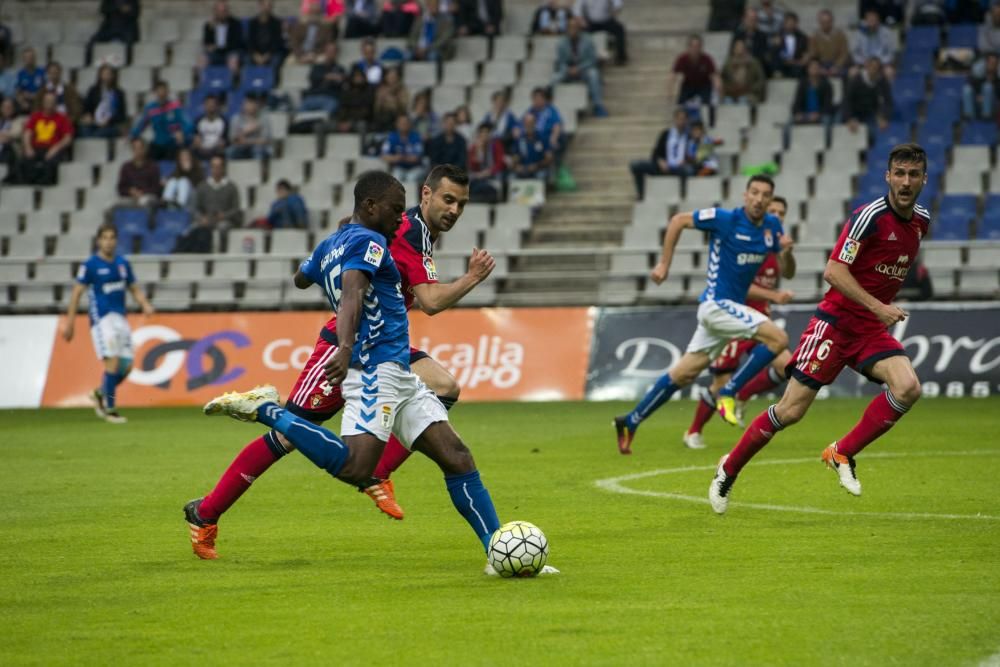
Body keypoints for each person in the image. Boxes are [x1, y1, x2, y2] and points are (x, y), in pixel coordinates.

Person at [185, 165, 500, 560]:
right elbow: (428, 301)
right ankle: (206, 511)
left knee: (444, 390)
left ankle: (381, 474)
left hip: (387, 348)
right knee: (288, 436)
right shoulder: (408, 229)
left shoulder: (401, 230)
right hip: (347, 348)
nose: (454, 210)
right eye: (448, 200)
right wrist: (473, 277)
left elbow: (321, 262)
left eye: (461, 204)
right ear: (426, 195)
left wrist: (325, 254)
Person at [708, 143, 931, 513]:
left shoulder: (922, 220)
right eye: (900, 173)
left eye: (913, 174)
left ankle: (841, 453)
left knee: (908, 388)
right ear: (888, 176)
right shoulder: (868, 217)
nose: (906, 181)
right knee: (790, 411)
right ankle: (727, 469)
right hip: (834, 324)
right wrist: (878, 306)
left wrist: (876, 311)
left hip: (869, 329)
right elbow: (833, 271)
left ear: (923, 178)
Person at [613, 174, 790, 455]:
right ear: (745, 196)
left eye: (764, 195)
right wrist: (663, 264)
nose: (758, 199)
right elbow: (678, 221)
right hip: (716, 305)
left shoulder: (771, 227)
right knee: (778, 340)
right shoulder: (725, 219)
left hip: (727, 312)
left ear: (770, 200)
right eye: (754, 193)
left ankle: (631, 420)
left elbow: (788, 271)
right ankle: (731, 392)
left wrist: (786, 252)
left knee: (683, 374)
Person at [683, 195, 795, 449]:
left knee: (786, 366)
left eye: (781, 212)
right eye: (773, 210)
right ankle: (693, 431)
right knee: (719, 384)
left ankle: (743, 393)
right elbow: (740, 288)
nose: (776, 216)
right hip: (734, 319)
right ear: (765, 209)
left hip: (760, 322)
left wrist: (787, 253)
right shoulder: (750, 241)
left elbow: (788, 272)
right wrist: (774, 295)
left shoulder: (774, 242)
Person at [62, 223, 154, 425]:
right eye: (105, 237)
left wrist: (145, 304)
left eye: (112, 237)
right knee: (112, 361)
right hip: (102, 320)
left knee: (127, 367)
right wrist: (70, 323)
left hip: (120, 318)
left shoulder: (122, 263)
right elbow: (77, 293)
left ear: (116, 241)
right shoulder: (91, 265)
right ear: (98, 241)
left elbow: (134, 287)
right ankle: (110, 408)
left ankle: (100, 393)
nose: (108, 241)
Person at [553, 17, 608, 117]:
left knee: (594, 74)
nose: (572, 30)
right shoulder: (561, 43)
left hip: (583, 71)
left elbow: (592, 60)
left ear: (579, 29)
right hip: (568, 72)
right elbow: (560, 62)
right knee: (554, 78)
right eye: (570, 27)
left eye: (575, 27)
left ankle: (598, 105)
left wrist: (579, 68)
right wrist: (568, 69)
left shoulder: (588, 40)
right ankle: (551, 106)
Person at [629, 107, 689, 198]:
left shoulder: (689, 136)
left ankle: (683, 195)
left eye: (683, 119)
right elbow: (655, 153)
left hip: (680, 168)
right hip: (664, 166)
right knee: (636, 165)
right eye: (679, 119)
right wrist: (660, 161)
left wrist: (686, 160)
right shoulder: (666, 134)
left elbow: (694, 153)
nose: (681, 122)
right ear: (675, 119)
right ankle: (641, 195)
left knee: (687, 170)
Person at [17, 90, 74, 186]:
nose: (49, 103)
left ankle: (43, 186)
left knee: (51, 163)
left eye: (52, 101)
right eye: (47, 100)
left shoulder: (62, 118)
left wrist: (56, 148)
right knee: (23, 161)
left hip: (53, 148)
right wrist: (28, 147)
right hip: (36, 148)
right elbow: (27, 133)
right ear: (43, 102)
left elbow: (68, 138)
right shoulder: (36, 116)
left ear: (55, 103)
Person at [130, 80, 192, 161]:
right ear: (155, 92)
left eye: (164, 90)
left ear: (168, 92)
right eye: (159, 90)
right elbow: (141, 125)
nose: (162, 93)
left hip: (172, 143)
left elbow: (188, 124)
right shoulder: (150, 108)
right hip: (157, 144)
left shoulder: (175, 106)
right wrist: (133, 134)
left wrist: (182, 132)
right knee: (147, 161)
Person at [843, 56, 893, 136]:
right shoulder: (856, 80)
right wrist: (849, 118)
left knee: (872, 134)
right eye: (872, 67)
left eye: (877, 68)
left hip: (871, 114)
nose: (874, 70)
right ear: (867, 67)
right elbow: (847, 100)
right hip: (855, 113)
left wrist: (884, 117)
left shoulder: (882, 81)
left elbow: (888, 101)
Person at [193, 155, 242, 231]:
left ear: (223, 168)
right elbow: (196, 208)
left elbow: (236, 209)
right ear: (210, 168)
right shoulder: (202, 186)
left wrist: (224, 215)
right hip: (207, 219)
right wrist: (201, 218)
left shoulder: (231, 187)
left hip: (226, 220)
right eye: (213, 166)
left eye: (218, 167)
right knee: (195, 227)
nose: (216, 169)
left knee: (222, 226)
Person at [78, 64, 127, 138]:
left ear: (113, 76)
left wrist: (109, 120)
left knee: (100, 134)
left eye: (108, 74)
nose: (106, 77)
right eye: (104, 74)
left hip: (111, 125)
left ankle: (91, 144)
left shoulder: (119, 93)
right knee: (83, 129)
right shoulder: (93, 91)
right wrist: (87, 115)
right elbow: (86, 107)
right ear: (100, 76)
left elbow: (122, 115)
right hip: (94, 122)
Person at [574, 0, 628, 65]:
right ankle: (582, 57)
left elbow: (618, 3)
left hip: (606, 20)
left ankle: (621, 57)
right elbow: (577, 9)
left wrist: (615, 11)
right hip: (591, 21)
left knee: (619, 29)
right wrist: (581, 21)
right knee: (580, 33)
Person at [672, 35, 720, 106]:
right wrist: (670, 90)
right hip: (688, 84)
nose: (695, 49)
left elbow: (714, 76)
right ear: (688, 47)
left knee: (706, 104)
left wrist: (718, 86)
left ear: (701, 47)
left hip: (704, 84)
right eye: (693, 46)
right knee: (680, 103)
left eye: (697, 46)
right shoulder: (682, 59)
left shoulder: (707, 59)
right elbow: (673, 75)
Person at [300, 41, 346, 115]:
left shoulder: (340, 69)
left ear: (336, 53)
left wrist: (328, 78)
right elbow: (313, 77)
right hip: (313, 96)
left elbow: (340, 82)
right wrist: (329, 76)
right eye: (328, 51)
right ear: (325, 52)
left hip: (329, 97)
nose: (330, 53)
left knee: (331, 106)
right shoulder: (317, 67)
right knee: (302, 108)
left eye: (333, 51)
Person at [34, 62, 83, 126]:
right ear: (47, 74)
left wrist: (69, 121)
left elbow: (76, 108)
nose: (54, 76)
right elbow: (36, 108)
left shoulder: (70, 89)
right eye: (51, 73)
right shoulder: (42, 91)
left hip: (65, 122)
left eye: (56, 73)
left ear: (60, 73)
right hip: (46, 123)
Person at [467, 121, 505, 203]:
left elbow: (500, 163)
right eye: (482, 133)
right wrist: (478, 151)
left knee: (485, 187)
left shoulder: (496, 145)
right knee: (472, 183)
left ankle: (477, 198)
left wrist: (489, 172)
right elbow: (472, 166)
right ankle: (482, 197)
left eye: (487, 133)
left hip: (491, 175)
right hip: (477, 177)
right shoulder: (474, 147)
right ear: (479, 134)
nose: (484, 135)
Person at [202, 0, 246, 72]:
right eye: (219, 11)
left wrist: (217, 47)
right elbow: (206, 43)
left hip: (230, 52)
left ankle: (232, 82)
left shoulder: (235, 24)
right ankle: (203, 82)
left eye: (224, 11)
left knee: (233, 60)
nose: (222, 13)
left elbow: (236, 44)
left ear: (227, 11)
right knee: (202, 60)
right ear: (215, 12)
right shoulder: (209, 25)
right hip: (215, 54)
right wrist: (210, 30)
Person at [116, 137, 161, 206]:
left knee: (143, 201)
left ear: (145, 149)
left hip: (148, 197)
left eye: (140, 148)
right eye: (134, 148)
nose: (137, 151)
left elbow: (156, 188)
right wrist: (130, 191)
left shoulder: (153, 167)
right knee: (110, 207)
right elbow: (121, 188)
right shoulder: (126, 167)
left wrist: (142, 192)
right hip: (130, 197)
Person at [381, 113, 425, 183]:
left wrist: (400, 158)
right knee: (396, 177)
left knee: (411, 178)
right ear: (397, 124)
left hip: (415, 168)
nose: (403, 125)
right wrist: (397, 158)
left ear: (410, 124)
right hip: (399, 167)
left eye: (406, 123)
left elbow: (416, 158)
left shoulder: (416, 137)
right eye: (401, 123)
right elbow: (384, 156)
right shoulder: (392, 137)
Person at [720, 38, 766, 105]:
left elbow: (761, 80)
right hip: (731, 94)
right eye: (737, 47)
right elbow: (722, 79)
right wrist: (728, 89)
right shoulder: (728, 64)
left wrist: (750, 88)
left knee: (743, 100)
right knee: (727, 101)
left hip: (749, 93)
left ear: (745, 49)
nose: (739, 49)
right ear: (733, 49)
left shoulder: (754, 63)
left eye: (741, 47)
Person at [792, 58, 835, 127]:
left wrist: (818, 114)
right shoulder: (802, 84)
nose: (814, 69)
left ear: (820, 69)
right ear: (808, 69)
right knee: (788, 124)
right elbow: (796, 103)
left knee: (827, 121)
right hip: (805, 114)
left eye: (817, 67)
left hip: (821, 114)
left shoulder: (826, 84)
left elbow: (828, 105)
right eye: (812, 67)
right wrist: (798, 113)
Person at [851, 9, 895, 77]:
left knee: (890, 72)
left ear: (878, 21)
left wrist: (880, 62)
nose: (872, 24)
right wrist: (863, 62)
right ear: (865, 21)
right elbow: (855, 52)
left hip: (881, 64)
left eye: (874, 21)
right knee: (853, 72)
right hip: (864, 63)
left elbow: (891, 52)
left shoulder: (886, 32)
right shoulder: (859, 33)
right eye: (869, 21)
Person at [511, 112, 554, 180]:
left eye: (531, 123)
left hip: (539, 169)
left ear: (535, 123)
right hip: (524, 170)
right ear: (524, 124)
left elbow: (549, 158)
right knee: (512, 177)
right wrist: (516, 166)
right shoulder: (519, 140)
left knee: (541, 175)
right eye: (527, 123)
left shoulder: (542, 138)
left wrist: (536, 166)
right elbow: (515, 157)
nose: (529, 125)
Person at [808, 8, 850, 78]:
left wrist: (837, 66)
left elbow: (844, 53)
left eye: (828, 22)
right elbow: (813, 54)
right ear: (819, 22)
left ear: (832, 21)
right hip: (822, 65)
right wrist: (819, 68)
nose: (825, 24)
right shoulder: (814, 36)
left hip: (837, 64)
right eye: (823, 22)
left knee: (850, 72)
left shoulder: (840, 35)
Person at [247, 0, 287, 68]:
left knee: (276, 60)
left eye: (269, 6)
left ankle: (273, 78)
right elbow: (250, 41)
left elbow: (277, 42)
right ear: (260, 6)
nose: (267, 8)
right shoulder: (252, 23)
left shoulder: (276, 23)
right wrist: (255, 55)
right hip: (256, 53)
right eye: (265, 5)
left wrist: (268, 55)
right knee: (246, 60)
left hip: (271, 53)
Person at [769, 11, 809, 79]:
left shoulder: (802, 37)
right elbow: (773, 54)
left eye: (793, 23)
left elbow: (805, 54)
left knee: (799, 70)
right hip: (782, 64)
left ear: (796, 23)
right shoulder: (777, 35)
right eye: (788, 22)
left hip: (796, 64)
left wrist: (796, 62)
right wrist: (776, 45)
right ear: (784, 23)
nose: (790, 25)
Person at [732, 7, 771, 76]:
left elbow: (763, 55)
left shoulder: (762, 36)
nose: (752, 21)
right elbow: (732, 52)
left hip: (755, 67)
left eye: (754, 19)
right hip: (739, 65)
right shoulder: (738, 35)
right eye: (750, 19)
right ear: (744, 19)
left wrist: (749, 60)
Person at [336, 65, 376, 132]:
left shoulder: (369, 91)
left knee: (362, 125)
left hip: (362, 121)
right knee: (321, 126)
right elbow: (343, 108)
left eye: (360, 76)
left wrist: (350, 122)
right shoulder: (346, 91)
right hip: (346, 121)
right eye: (356, 76)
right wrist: (342, 121)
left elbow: (366, 111)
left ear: (364, 78)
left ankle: (363, 143)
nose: (358, 78)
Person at [962, 52, 999, 120]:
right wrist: (978, 95)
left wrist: (993, 81)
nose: (992, 65)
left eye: (995, 63)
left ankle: (987, 115)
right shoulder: (978, 72)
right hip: (978, 98)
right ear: (986, 63)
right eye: (990, 62)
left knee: (988, 87)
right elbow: (971, 83)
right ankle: (969, 115)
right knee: (967, 89)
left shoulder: (998, 76)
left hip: (993, 101)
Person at [372, 66, 410, 132]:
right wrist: (381, 100)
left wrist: (395, 97)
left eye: (394, 76)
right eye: (389, 75)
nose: (392, 78)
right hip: (384, 116)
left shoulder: (403, 89)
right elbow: (377, 108)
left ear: (397, 77)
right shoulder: (381, 89)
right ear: (386, 77)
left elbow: (404, 106)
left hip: (398, 115)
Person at [192, 94, 228, 159]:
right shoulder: (198, 121)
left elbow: (224, 140)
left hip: (216, 150)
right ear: (204, 106)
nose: (211, 106)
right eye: (208, 104)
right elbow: (196, 138)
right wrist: (197, 143)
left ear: (217, 106)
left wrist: (221, 144)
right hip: (201, 150)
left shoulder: (223, 121)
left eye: (213, 104)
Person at [15, 47, 45, 114]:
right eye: (27, 57)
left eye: (31, 57)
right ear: (23, 59)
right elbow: (17, 93)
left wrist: (33, 95)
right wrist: (22, 103)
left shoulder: (42, 72)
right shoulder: (20, 74)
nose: (29, 59)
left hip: (39, 101)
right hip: (26, 103)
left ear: (35, 58)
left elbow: (45, 90)